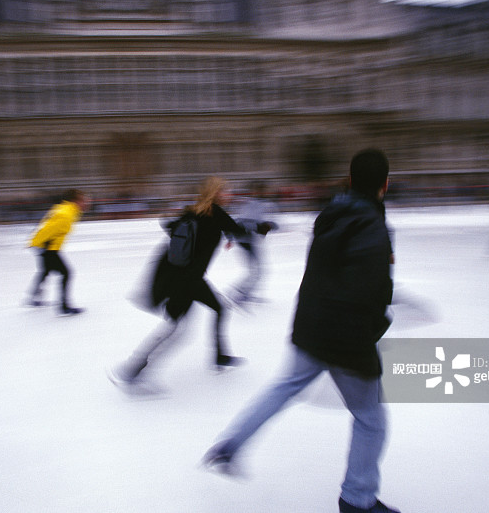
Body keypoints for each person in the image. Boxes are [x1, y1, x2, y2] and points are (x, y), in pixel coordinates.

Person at [202, 149, 399, 513]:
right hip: (346, 336)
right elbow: (370, 291)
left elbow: (327, 272)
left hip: (311, 324)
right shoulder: (373, 226)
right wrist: (376, 327)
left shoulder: (333, 214)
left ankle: (229, 444)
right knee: (371, 420)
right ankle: (357, 499)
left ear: (351, 180)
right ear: (385, 185)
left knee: (283, 387)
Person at [109, 177, 269, 388]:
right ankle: (133, 369)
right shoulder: (215, 213)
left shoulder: (193, 212)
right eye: (226, 191)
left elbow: (170, 225)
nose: (229, 195)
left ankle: (220, 356)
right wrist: (262, 227)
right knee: (177, 328)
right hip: (188, 280)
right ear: (216, 193)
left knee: (218, 309)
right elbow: (239, 230)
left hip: (181, 276)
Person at [26, 189, 90, 315]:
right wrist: (42, 246)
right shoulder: (66, 213)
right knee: (66, 273)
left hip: (44, 246)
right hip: (47, 247)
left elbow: (46, 225)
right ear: (75, 201)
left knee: (46, 271)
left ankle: (33, 297)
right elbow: (48, 230)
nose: (86, 203)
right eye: (83, 200)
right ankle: (64, 306)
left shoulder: (65, 209)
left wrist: (36, 244)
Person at [227, 180, 278, 306]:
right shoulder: (251, 204)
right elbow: (241, 222)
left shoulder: (257, 204)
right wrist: (261, 226)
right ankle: (240, 293)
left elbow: (272, 224)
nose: (264, 192)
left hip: (248, 240)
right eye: (261, 190)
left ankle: (242, 292)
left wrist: (269, 225)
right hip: (246, 240)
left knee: (257, 270)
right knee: (258, 270)